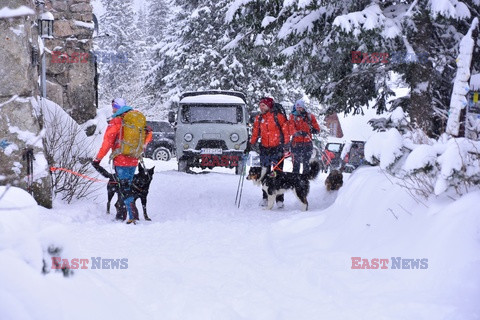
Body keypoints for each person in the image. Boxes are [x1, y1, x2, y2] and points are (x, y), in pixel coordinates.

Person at [92, 98, 152, 224]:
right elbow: (149, 133)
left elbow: (107, 142)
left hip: (121, 160)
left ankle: (130, 216)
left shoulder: (117, 121)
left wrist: (98, 159)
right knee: (127, 186)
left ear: (117, 107)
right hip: (134, 159)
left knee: (124, 188)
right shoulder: (136, 119)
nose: (112, 109)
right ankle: (127, 214)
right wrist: (139, 148)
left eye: (114, 106)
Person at [248, 97, 289, 208]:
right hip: (264, 149)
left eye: (263, 105)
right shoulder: (259, 118)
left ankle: (279, 199)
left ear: (269, 106)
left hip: (277, 148)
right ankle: (265, 197)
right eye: (260, 105)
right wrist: (251, 143)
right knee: (265, 174)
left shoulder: (278, 116)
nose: (261, 107)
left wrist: (286, 144)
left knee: (278, 174)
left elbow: (286, 130)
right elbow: (255, 132)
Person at [286, 99, 320, 174]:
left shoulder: (309, 116)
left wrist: (313, 130)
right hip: (296, 143)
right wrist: (298, 133)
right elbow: (290, 128)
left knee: (306, 162)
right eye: (297, 107)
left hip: (307, 143)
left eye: (300, 107)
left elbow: (317, 129)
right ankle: (295, 179)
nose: (299, 109)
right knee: (296, 163)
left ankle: (305, 179)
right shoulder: (292, 116)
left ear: (303, 107)